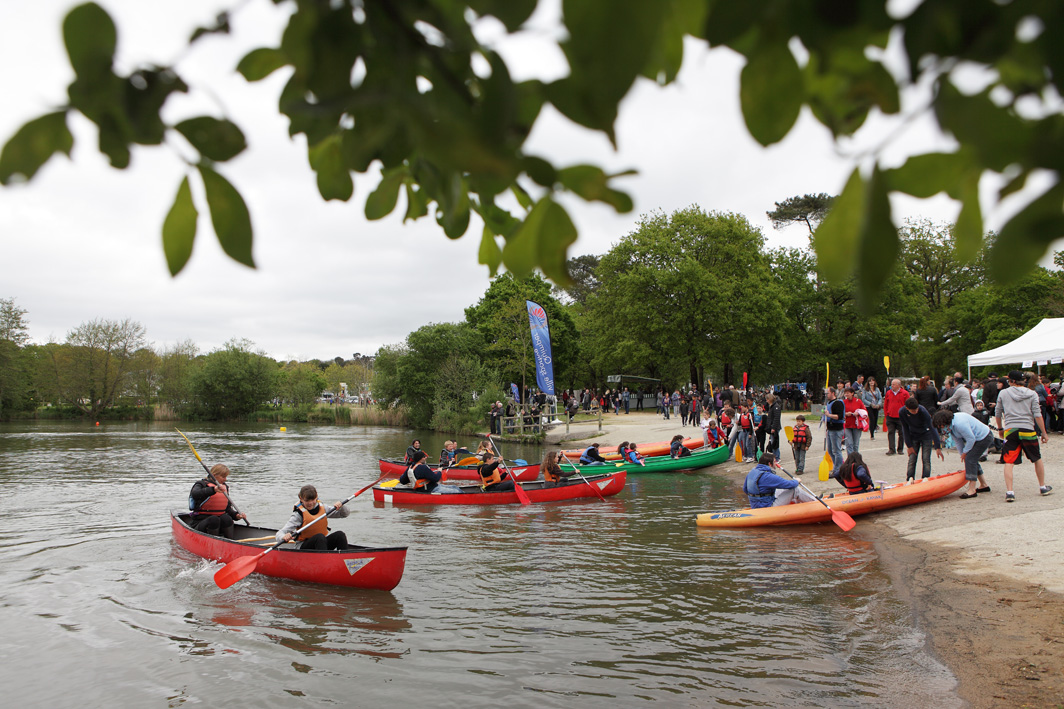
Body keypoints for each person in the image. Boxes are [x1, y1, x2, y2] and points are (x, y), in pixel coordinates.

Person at [995, 370, 1052, 502]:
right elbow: (1037, 414)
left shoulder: (1003, 393)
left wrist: (1000, 429)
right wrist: (1044, 432)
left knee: (1009, 461)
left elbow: (998, 413)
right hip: (1027, 429)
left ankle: (1010, 492)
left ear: (1012, 381)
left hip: (1011, 430)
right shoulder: (1032, 394)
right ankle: (1042, 487)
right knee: (1037, 458)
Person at [932, 409, 993, 499]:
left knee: (970, 459)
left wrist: (965, 453)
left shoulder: (959, 424)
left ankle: (972, 490)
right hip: (977, 438)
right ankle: (984, 485)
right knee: (970, 459)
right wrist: (962, 454)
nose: (941, 427)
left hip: (984, 437)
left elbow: (971, 439)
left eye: (941, 425)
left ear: (946, 422)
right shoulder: (951, 427)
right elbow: (958, 441)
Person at [276, 485, 349, 550]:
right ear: (301, 498)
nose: (310, 503)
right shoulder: (298, 515)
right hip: (304, 547)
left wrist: (341, 506)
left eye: (313, 499)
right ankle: (323, 562)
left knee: (340, 535)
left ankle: (344, 560)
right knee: (319, 537)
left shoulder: (323, 508)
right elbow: (280, 533)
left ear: (316, 497)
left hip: (321, 544)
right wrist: (283, 537)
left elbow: (344, 514)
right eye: (307, 500)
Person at [188, 463, 246, 538]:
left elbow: (227, 509)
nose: (225, 479)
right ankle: (214, 543)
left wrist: (236, 516)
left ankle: (230, 541)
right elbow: (195, 494)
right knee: (214, 519)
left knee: (226, 518)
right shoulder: (201, 484)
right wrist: (213, 490)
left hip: (218, 525)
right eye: (223, 477)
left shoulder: (225, 487)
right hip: (200, 523)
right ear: (214, 475)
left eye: (226, 477)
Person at [742, 453, 817, 508]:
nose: (776, 464)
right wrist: (797, 481)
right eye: (774, 462)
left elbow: (745, 489)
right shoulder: (767, 476)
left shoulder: (752, 472)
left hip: (756, 504)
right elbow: (789, 484)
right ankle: (816, 503)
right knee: (795, 489)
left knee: (778, 489)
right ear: (769, 464)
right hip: (767, 507)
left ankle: (800, 502)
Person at [899, 397, 943, 480]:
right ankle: (910, 478)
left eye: (916, 409)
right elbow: (905, 428)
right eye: (913, 411)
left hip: (926, 435)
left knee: (926, 459)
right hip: (913, 435)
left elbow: (932, 427)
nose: (915, 412)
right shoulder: (902, 412)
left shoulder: (923, 411)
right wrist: (909, 445)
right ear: (907, 408)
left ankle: (925, 478)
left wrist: (937, 446)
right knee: (912, 459)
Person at [883, 378, 909, 455]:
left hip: (901, 417)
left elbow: (907, 405)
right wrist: (886, 414)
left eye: (893, 384)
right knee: (890, 432)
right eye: (891, 384)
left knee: (901, 433)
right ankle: (891, 449)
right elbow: (885, 404)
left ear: (898, 385)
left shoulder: (905, 393)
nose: (892, 386)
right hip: (890, 416)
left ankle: (900, 449)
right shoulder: (888, 393)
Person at [824, 387, 845, 475]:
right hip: (830, 429)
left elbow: (839, 416)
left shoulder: (838, 403)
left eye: (827, 393)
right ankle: (836, 466)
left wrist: (829, 415)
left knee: (836, 450)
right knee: (830, 451)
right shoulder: (829, 403)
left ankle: (838, 469)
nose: (826, 395)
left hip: (836, 429)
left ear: (833, 393)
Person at [842, 386, 864, 454]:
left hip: (857, 425)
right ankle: (850, 459)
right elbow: (840, 413)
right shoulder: (844, 402)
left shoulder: (858, 401)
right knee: (849, 444)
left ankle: (856, 459)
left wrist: (858, 413)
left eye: (848, 393)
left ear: (852, 393)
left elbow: (864, 411)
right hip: (848, 425)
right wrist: (845, 414)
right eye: (845, 393)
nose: (846, 394)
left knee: (855, 444)